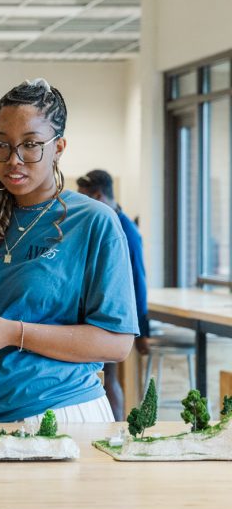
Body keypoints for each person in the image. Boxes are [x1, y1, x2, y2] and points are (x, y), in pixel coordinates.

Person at [0, 78, 138, 426]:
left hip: (54, 414)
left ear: (58, 147)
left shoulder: (92, 222)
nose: (13, 160)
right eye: (1, 145)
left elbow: (117, 344)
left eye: (30, 145)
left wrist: (15, 333)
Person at [77, 169, 150, 420]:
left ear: (98, 195)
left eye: (84, 197)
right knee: (109, 378)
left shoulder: (123, 229)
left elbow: (138, 280)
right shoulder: (105, 222)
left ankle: (115, 430)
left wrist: (143, 328)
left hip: (113, 319)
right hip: (99, 312)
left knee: (110, 379)